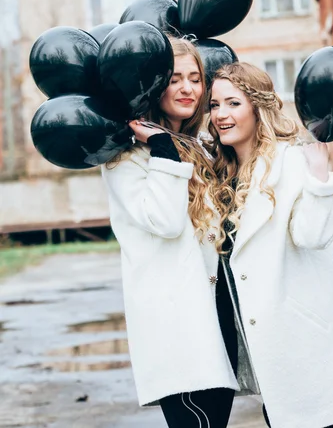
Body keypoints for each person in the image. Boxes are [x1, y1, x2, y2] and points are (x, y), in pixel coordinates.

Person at [101, 37, 240, 428]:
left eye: (195, 79)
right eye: (175, 78)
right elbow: (164, 221)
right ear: (152, 85)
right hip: (177, 326)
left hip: (216, 316)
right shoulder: (127, 159)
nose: (188, 89)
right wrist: (162, 147)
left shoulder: (201, 148)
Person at [207, 62, 333, 428]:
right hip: (259, 339)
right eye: (214, 105)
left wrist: (320, 179)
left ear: (258, 108)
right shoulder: (223, 175)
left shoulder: (291, 162)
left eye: (233, 103)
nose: (221, 114)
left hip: (295, 335)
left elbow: (314, 235)